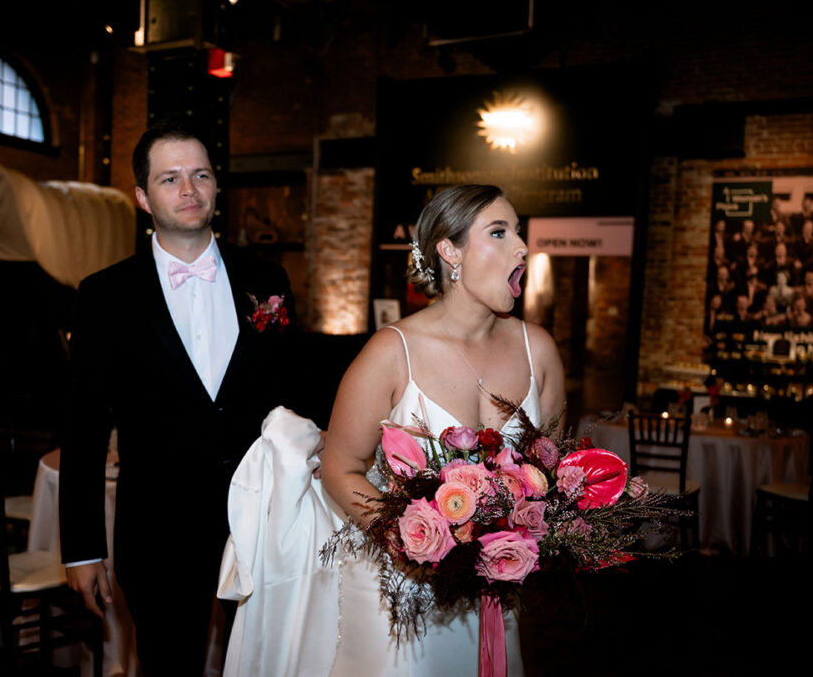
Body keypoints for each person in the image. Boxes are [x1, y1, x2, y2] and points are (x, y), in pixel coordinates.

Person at [59, 121, 297, 674]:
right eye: (170, 178)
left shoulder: (268, 279)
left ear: (216, 186)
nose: (188, 190)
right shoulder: (104, 295)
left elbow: (291, 403)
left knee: (263, 664)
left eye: (200, 175)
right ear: (143, 197)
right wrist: (83, 549)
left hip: (260, 524)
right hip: (157, 534)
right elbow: (84, 428)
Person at [321, 184, 565, 676]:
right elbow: (339, 467)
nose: (521, 246)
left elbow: (549, 472)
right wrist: (408, 539)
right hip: (403, 595)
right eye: (499, 232)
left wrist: (528, 527)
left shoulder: (539, 351)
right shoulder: (391, 353)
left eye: (519, 232)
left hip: (498, 588)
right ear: (449, 251)